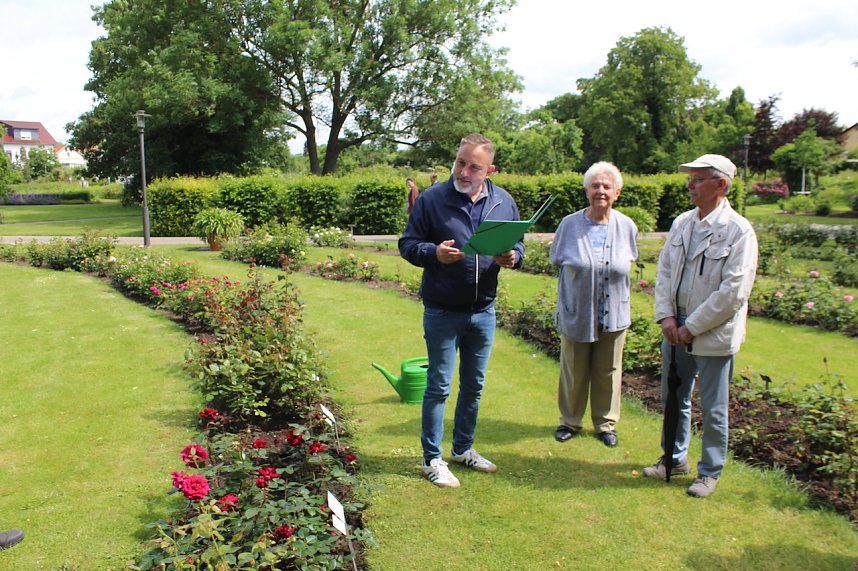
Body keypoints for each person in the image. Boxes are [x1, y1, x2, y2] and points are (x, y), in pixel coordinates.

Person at [399, 133, 524, 488]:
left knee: (474, 384)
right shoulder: (432, 199)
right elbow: (408, 244)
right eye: (460, 162)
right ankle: (431, 459)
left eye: (474, 166)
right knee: (438, 385)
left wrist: (513, 257)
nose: (464, 171)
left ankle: (463, 449)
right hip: (442, 309)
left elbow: (517, 242)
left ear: (490, 170)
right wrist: (432, 253)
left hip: (483, 309)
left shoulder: (503, 202)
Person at [643, 154, 758, 498]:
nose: (690, 185)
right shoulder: (682, 223)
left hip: (711, 334)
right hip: (675, 329)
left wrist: (690, 327)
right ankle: (673, 459)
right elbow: (664, 272)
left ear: (720, 185)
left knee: (713, 406)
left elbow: (733, 292)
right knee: (673, 397)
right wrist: (666, 317)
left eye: (697, 179)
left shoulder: (739, 232)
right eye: (689, 179)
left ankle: (709, 472)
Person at [550, 162, 638, 448]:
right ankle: (569, 421)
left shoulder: (626, 226)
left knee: (609, 371)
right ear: (587, 190)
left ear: (617, 192)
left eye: (606, 186)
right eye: (595, 185)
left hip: (615, 313)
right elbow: (558, 262)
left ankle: (605, 423)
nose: (600, 191)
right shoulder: (569, 225)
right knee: (573, 370)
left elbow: (627, 265)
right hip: (578, 311)